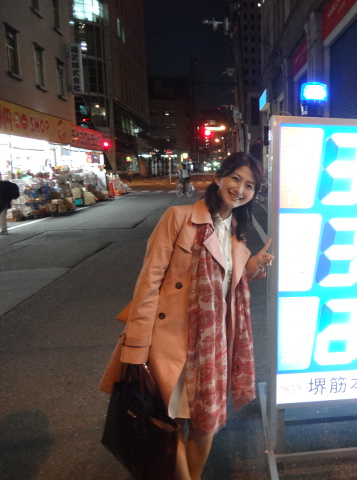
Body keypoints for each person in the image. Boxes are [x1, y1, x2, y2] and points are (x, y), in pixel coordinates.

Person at [99, 152, 274, 480]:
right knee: (168, 423)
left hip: (213, 345)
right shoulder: (179, 218)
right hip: (171, 342)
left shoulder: (236, 232)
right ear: (219, 177)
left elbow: (225, 285)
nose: (240, 189)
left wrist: (251, 266)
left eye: (250, 185)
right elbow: (149, 283)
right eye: (235, 178)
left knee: (205, 425)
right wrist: (136, 347)